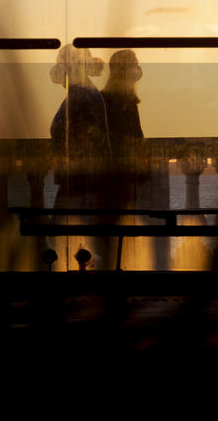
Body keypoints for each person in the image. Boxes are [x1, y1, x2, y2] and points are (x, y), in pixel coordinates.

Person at [49, 46, 111, 268]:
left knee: (71, 241)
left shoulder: (82, 96)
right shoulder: (81, 94)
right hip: (78, 181)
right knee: (72, 241)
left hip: (81, 182)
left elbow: (80, 142)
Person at [101, 49, 146, 210]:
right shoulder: (113, 101)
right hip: (117, 176)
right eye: (134, 63)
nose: (138, 68)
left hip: (124, 175)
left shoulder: (126, 100)